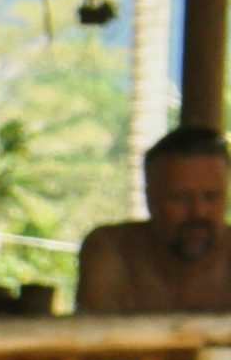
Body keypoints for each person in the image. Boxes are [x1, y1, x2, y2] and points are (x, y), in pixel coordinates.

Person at [78, 124, 231, 314]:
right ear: (150, 198)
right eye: (181, 197)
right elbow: (95, 337)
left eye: (211, 196)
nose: (198, 212)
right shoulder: (114, 251)